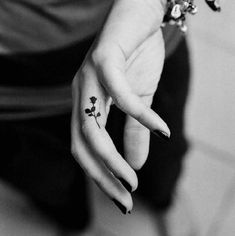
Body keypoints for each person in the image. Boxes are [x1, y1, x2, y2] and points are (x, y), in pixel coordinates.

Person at [0, 0, 194, 235]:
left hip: (139, 39)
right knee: (48, 181)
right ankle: (74, 223)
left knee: (159, 157)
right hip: (13, 85)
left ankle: (164, 199)